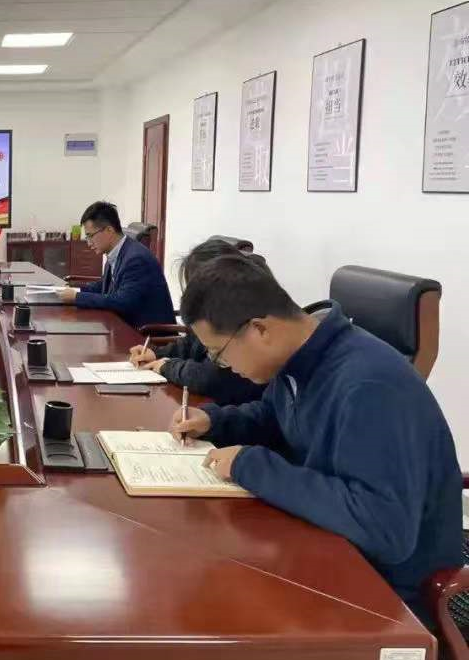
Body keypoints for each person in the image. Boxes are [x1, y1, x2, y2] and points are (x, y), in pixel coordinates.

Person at [169, 255, 461, 630]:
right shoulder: (300, 357)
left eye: (218, 353)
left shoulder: (369, 386)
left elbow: (384, 529)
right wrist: (216, 421)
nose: (221, 366)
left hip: (393, 598)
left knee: (232, 613)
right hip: (330, 547)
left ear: (259, 329)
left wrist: (251, 465)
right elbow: (275, 416)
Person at [127, 238, 266, 405]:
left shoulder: (243, 317)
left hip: (238, 408)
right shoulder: (212, 310)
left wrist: (167, 366)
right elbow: (192, 342)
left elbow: (211, 378)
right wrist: (157, 354)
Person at [55, 201, 175, 328]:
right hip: (124, 325)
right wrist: (74, 289)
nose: (89, 243)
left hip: (146, 334)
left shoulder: (136, 259)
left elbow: (122, 302)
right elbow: (104, 286)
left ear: (109, 230)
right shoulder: (116, 251)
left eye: (90, 236)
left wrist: (77, 297)